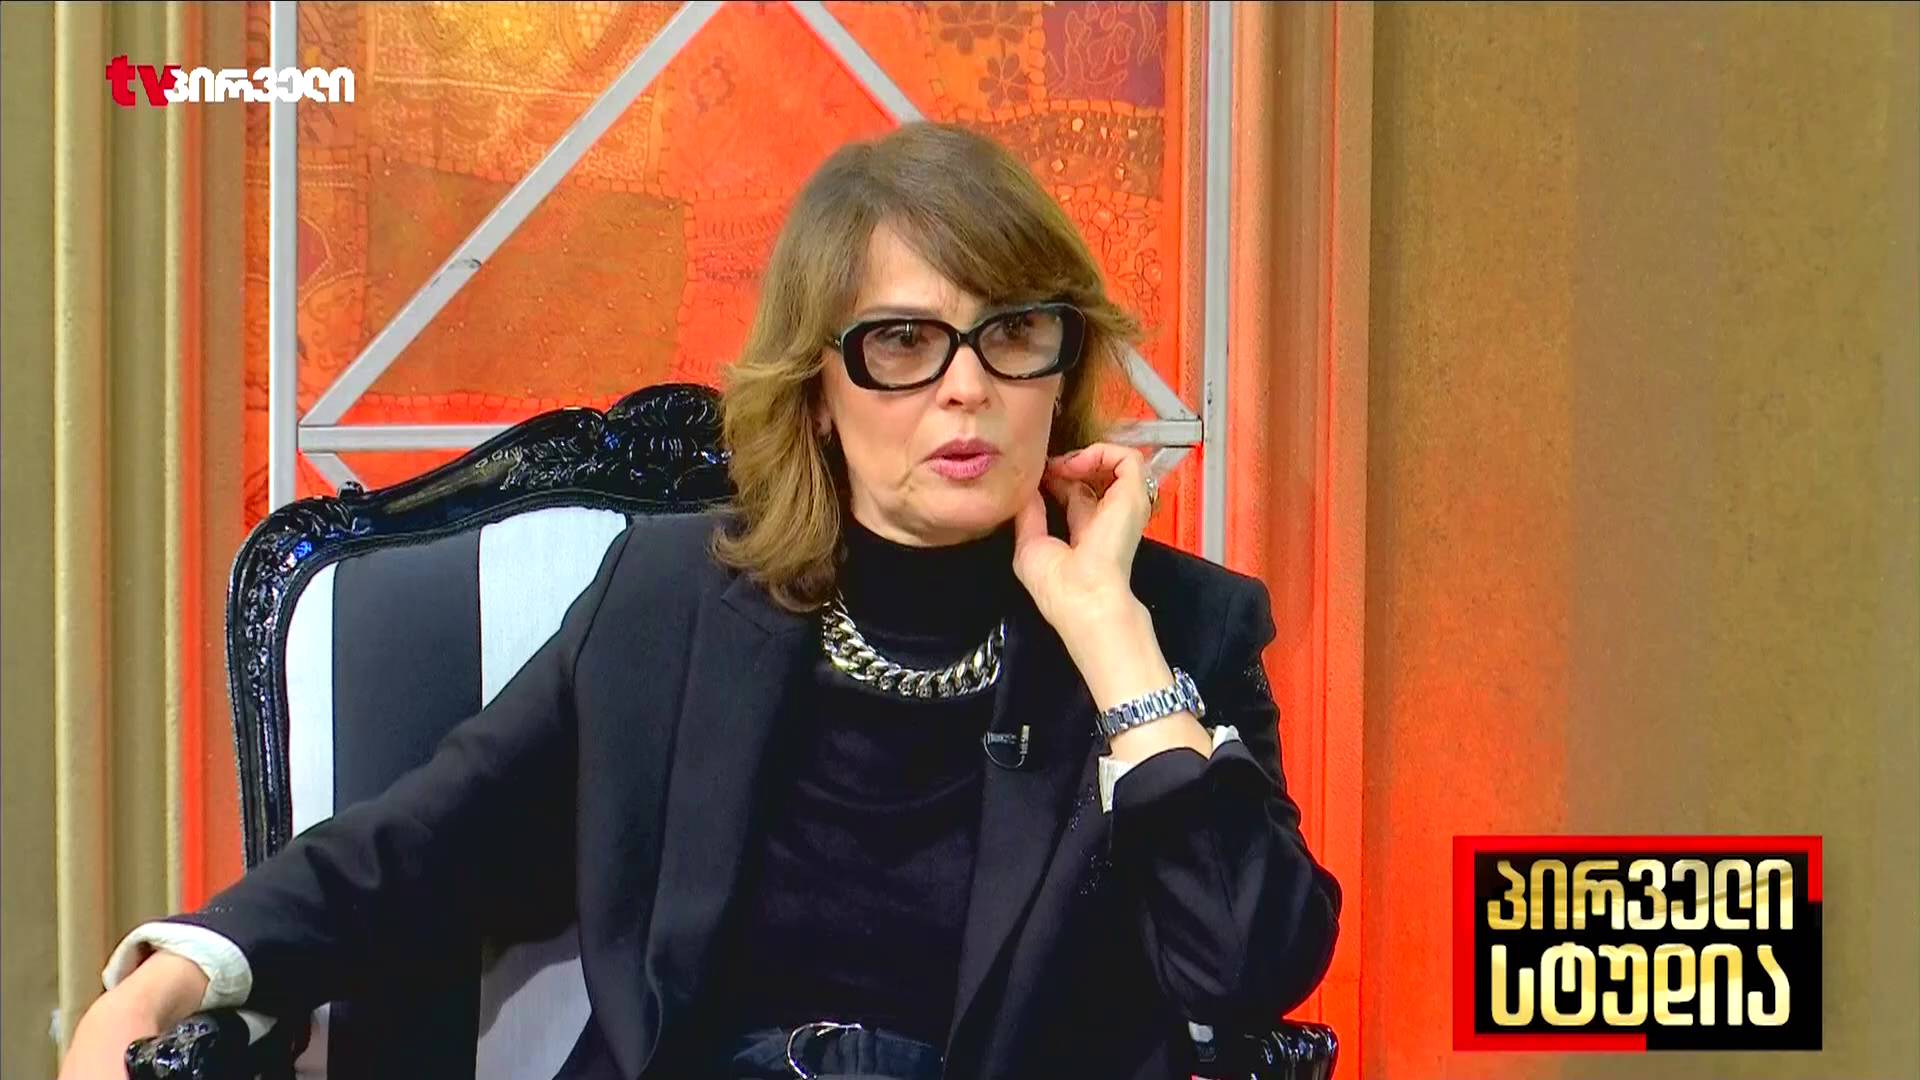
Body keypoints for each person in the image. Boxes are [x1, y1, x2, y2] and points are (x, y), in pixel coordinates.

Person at [60, 121, 1340, 1080]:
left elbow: (1248, 968)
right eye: (902, 341)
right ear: (818, 390)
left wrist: (1113, 641)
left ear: (1061, 367)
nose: (967, 386)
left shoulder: (1179, 629)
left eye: (1012, 332)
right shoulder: (671, 603)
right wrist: (166, 980)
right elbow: (424, 849)